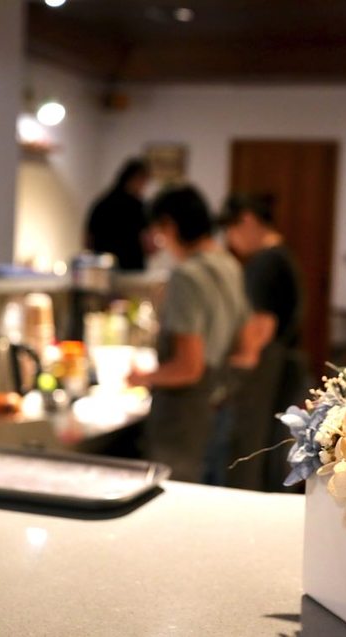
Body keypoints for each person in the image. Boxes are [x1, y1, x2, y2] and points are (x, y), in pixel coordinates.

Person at [127, 185, 249, 483]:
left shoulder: (186, 276)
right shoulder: (230, 264)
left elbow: (188, 367)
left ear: (169, 225)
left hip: (183, 418)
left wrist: (142, 377)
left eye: (159, 232)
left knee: (171, 497)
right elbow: (244, 346)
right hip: (218, 406)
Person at [218, 193, 307, 491]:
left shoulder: (265, 262)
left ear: (246, 220)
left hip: (268, 363)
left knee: (250, 448)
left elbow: (262, 326)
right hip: (285, 361)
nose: (230, 240)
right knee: (270, 447)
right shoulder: (282, 256)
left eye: (230, 230)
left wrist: (240, 361)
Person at [85, 158, 151, 270]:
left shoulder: (103, 202)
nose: (144, 187)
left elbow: (88, 239)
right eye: (144, 182)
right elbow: (146, 240)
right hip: (131, 266)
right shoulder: (136, 206)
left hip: (103, 267)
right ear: (135, 178)